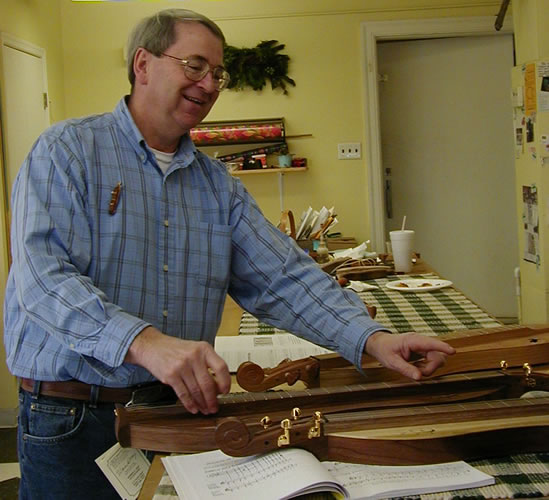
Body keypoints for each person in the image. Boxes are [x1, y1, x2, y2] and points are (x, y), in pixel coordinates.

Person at [3, 8, 455, 500]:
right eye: (195, 65)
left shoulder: (217, 185)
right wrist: (147, 343)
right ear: (143, 65)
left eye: (218, 73)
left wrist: (371, 339)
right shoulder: (67, 151)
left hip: (174, 411)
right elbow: (43, 281)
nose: (210, 83)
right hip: (71, 418)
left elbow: (282, 278)